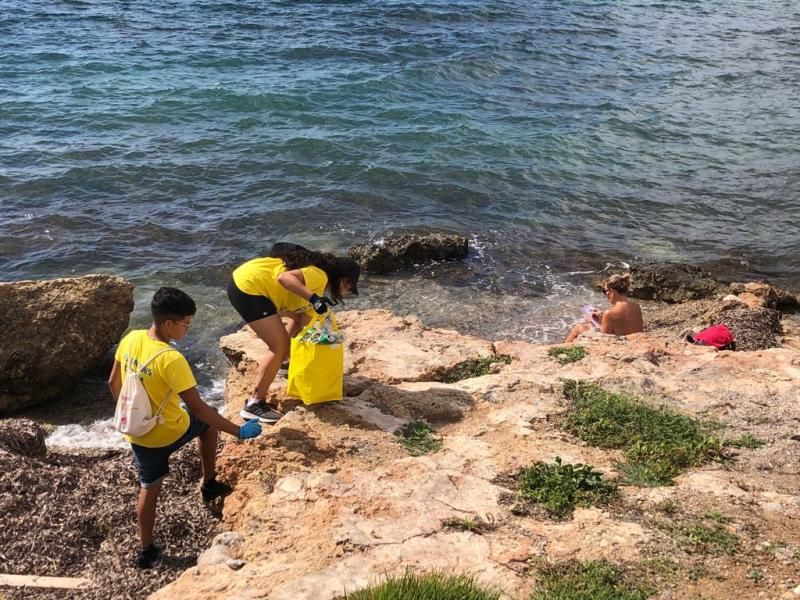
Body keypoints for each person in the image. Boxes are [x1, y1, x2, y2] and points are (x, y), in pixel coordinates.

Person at [108, 287, 262, 569]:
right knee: (206, 421)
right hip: (169, 430)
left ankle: (146, 551)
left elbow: (112, 383)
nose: (187, 329)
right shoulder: (171, 359)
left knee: (149, 487)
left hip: (138, 433)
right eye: (185, 324)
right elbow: (201, 409)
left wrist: (131, 413)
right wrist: (239, 431)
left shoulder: (130, 339)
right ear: (168, 323)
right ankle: (209, 483)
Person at [227, 247, 360, 423]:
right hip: (248, 288)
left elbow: (301, 323)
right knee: (278, 346)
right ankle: (254, 404)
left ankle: (283, 363)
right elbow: (284, 278)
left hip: (245, 278)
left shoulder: (313, 278)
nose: (347, 292)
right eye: (350, 288)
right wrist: (314, 299)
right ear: (344, 280)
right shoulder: (319, 276)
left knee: (293, 327)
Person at [564, 273, 644, 343]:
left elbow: (604, 340)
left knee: (579, 327)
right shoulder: (636, 306)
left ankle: (561, 349)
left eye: (605, 291)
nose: (606, 295)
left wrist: (590, 322)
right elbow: (623, 326)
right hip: (633, 342)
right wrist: (602, 319)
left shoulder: (610, 313)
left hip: (619, 345)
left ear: (612, 292)